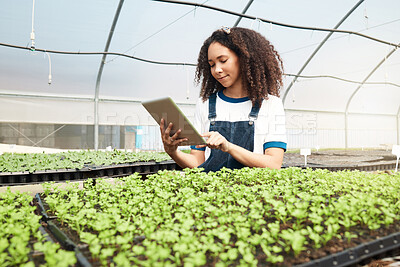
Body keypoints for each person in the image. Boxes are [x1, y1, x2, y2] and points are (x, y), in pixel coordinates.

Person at [160, 27, 287, 172]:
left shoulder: (270, 104)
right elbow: (197, 162)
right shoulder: (205, 104)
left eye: (223, 60)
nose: (217, 70)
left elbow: (274, 164)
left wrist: (229, 147)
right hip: (211, 193)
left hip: (253, 191)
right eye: (212, 64)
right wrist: (173, 151)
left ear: (245, 58)